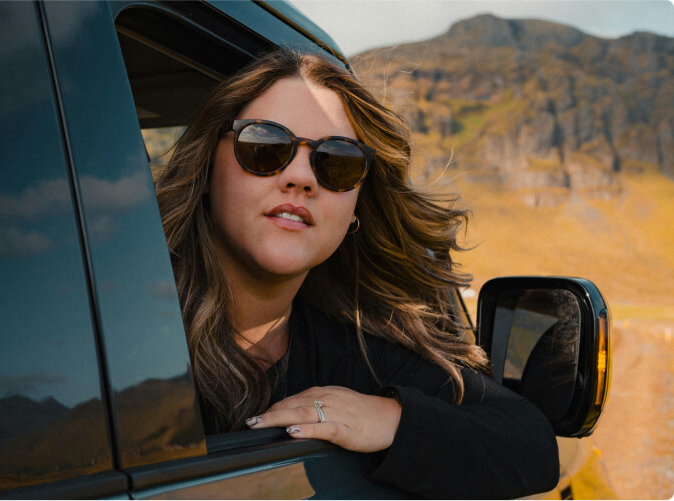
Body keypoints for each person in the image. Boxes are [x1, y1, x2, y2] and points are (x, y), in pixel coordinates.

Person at [154, 49, 559, 498]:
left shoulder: (360, 353)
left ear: (354, 211)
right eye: (265, 146)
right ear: (208, 169)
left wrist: (388, 419)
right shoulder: (116, 325)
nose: (301, 177)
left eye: (337, 162)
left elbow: (531, 446)